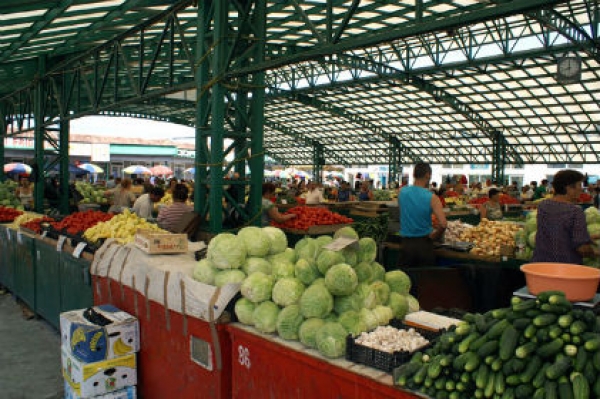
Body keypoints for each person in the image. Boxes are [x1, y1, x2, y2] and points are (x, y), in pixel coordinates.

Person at [531, 170, 596, 264]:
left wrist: (588, 238)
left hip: (540, 264)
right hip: (565, 268)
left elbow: (557, 233)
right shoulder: (575, 211)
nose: (581, 189)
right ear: (569, 188)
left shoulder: (543, 205)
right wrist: (594, 253)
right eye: (579, 185)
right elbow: (582, 248)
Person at [398, 162, 447, 268]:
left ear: (413, 175)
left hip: (406, 244)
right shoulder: (432, 198)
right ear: (428, 175)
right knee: (424, 281)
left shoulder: (402, 192)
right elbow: (443, 224)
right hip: (424, 244)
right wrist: (435, 236)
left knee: (406, 280)